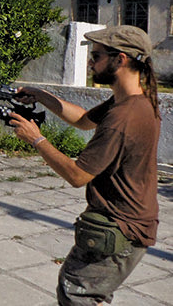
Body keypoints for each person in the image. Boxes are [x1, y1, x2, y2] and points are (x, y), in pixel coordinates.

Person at [9, 25, 160, 306]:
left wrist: (36, 139)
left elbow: (78, 175)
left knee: (76, 293)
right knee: (85, 293)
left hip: (121, 227)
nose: (91, 62)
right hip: (128, 221)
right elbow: (82, 120)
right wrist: (41, 95)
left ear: (120, 59)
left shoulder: (124, 117)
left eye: (97, 56)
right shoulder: (131, 101)